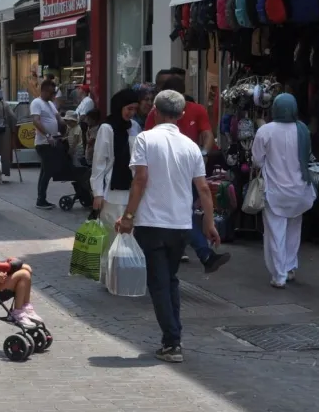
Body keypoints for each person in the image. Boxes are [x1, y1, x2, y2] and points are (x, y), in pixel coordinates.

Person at [116, 90, 219, 363]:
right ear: (182, 115)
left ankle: (172, 342)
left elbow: (140, 180)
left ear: (155, 113)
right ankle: (174, 337)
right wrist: (208, 222)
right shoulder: (191, 146)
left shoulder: (145, 139)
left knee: (160, 284)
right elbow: (204, 189)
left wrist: (128, 216)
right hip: (181, 225)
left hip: (151, 223)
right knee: (170, 280)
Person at [156, 76, 230, 272]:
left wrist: (203, 154)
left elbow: (207, 134)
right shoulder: (157, 113)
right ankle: (203, 253)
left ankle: (193, 250)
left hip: (189, 171)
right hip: (169, 173)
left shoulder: (196, 110)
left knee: (184, 213)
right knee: (184, 213)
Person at [252, 93, 316, 289]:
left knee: (275, 232)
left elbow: (257, 160)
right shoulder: (302, 129)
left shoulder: (266, 131)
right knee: (293, 231)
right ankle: (289, 268)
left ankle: (279, 275)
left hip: (276, 191)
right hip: (300, 190)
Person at [90, 89, 141, 286]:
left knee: (129, 236)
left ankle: (123, 276)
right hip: (111, 192)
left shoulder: (134, 127)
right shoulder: (107, 128)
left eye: (134, 109)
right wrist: (97, 193)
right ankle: (109, 278)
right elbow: (99, 162)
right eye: (129, 108)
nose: (131, 113)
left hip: (131, 190)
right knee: (112, 236)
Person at [31, 79, 65, 209]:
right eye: (51, 93)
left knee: (45, 170)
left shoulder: (50, 103)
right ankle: (41, 199)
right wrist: (47, 135)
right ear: (44, 91)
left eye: (54, 93)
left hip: (53, 140)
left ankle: (42, 198)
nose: (53, 95)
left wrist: (63, 126)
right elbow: (35, 120)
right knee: (48, 170)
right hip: (44, 143)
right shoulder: (37, 103)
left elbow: (58, 118)